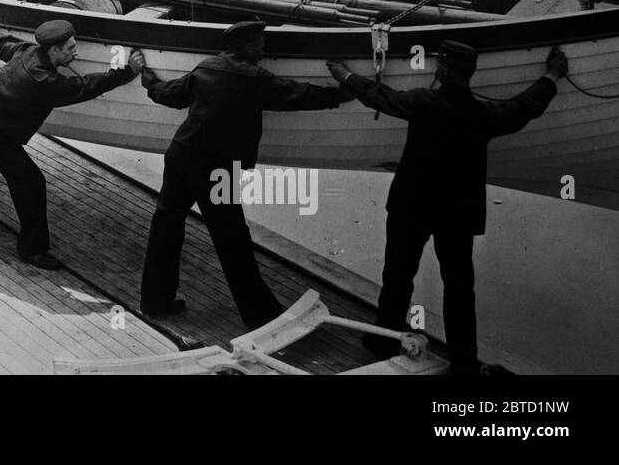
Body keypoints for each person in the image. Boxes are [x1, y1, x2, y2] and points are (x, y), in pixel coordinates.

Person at [327, 42, 566, 376]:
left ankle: (383, 339)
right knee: (458, 288)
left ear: (442, 70)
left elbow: (380, 96)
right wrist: (553, 75)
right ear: (470, 73)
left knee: (398, 274)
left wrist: (346, 74)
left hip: (412, 205)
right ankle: (465, 363)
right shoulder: (483, 114)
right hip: (457, 213)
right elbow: (524, 107)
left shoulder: (423, 102)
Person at [137, 20, 344, 325]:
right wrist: (343, 93)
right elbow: (298, 95)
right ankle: (260, 315)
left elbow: (171, 94)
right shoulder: (254, 77)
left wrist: (148, 79)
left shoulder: (206, 67)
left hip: (181, 155)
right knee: (232, 238)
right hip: (217, 168)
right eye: (259, 44)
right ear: (245, 47)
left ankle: (155, 301)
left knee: (166, 226)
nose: (264, 49)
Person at [0, 19, 144, 269]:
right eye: (70, 48)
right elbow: (87, 86)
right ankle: (32, 249)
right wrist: (127, 72)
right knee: (30, 183)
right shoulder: (44, 82)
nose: (75, 52)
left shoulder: (26, 50)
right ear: (54, 51)